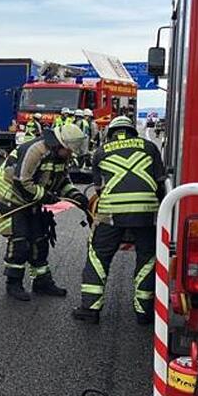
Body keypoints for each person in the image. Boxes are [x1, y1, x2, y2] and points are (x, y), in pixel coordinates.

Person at [72, 115, 166, 325]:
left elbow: (99, 189)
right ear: (131, 131)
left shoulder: (100, 152)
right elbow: (161, 183)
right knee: (147, 258)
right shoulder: (149, 147)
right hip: (146, 212)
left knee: (98, 257)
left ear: (111, 133)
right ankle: (144, 311)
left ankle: (90, 309)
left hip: (111, 213)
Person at [0, 123, 92, 301]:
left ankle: (42, 282)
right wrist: (45, 196)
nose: (71, 155)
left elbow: (61, 180)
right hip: (10, 197)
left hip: (31, 198)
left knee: (39, 238)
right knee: (20, 239)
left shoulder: (61, 156)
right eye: (68, 151)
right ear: (59, 145)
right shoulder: (36, 150)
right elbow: (22, 182)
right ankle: (13, 283)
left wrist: (75, 195)